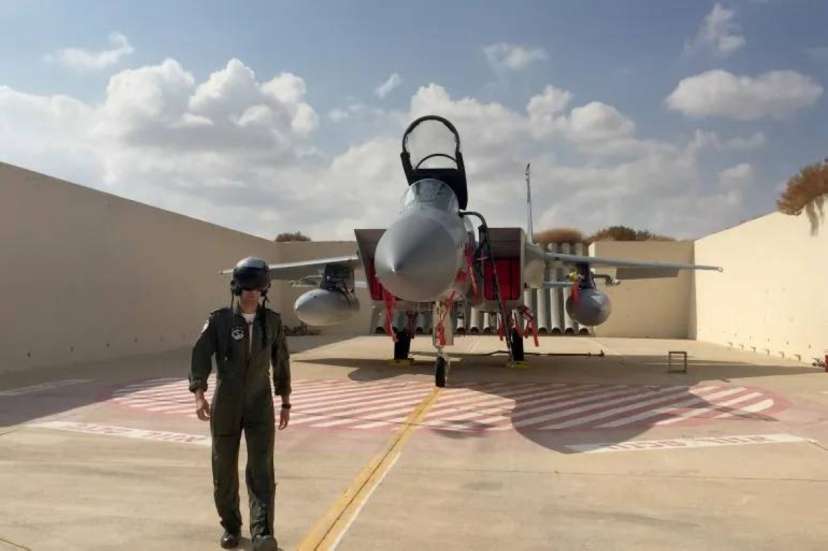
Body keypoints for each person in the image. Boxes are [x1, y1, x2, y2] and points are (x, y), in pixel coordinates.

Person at [189, 256, 291, 550]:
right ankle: (231, 526)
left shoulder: (272, 322)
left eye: (257, 288)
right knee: (223, 468)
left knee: (262, 469)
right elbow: (199, 355)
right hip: (227, 404)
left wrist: (285, 401)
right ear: (236, 287)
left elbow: (281, 361)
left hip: (260, 402)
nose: (251, 293)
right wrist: (199, 394)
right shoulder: (219, 321)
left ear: (264, 289)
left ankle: (262, 533)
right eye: (246, 287)